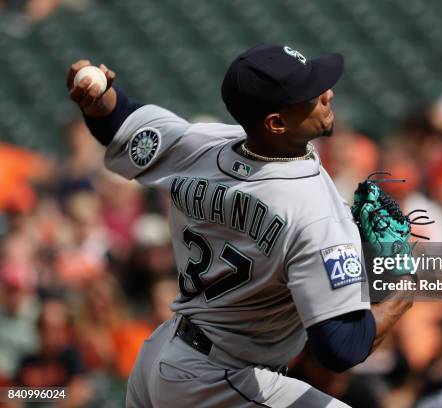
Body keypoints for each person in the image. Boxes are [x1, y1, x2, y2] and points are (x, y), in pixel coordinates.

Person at [66, 44, 413, 407]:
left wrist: (97, 98)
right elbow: (341, 348)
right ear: (276, 123)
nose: (327, 94)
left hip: (164, 356)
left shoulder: (204, 145)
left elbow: (119, 123)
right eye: (310, 95)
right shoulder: (313, 210)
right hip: (220, 380)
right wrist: (402, 292)